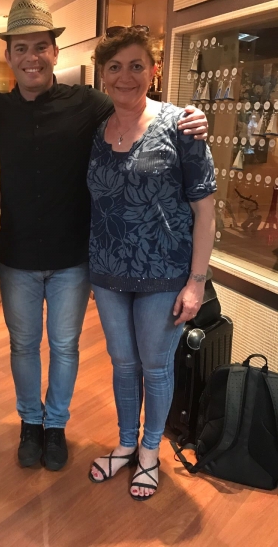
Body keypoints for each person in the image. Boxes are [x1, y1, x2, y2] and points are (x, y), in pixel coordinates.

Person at [0, 0, 208, 473]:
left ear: (55, 51)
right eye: (21, 48)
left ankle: (55, 426)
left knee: (66, 347)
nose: (31, 57)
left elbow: (133, 106)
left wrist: (185, 115)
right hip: (15, 258)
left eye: (40, 47)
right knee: (23, 347)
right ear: (9, 56)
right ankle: (30, 423)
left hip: (73, 258)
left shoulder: (88, 103)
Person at [87, 26, 216, 500]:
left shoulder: (181, 126)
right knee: (123, 364)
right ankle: (126, 443)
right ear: (103, 75)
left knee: (156, 367)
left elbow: (206, 211)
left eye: (136, 65)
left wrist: (196, 282)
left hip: (165, 273)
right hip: (107, 271)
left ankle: (148, 452)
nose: (126, 76)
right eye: (115, 67)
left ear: (154, 70)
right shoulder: (94, 130)